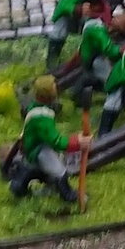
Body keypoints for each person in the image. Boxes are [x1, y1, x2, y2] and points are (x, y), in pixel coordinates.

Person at [8, 76, 86, 205]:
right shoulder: (41, 116)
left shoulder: (38, 108)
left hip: (36, 144)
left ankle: (19, 186)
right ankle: (68, 195)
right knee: (59, 170)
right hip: (38, 148)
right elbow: (55, 141)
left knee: (35, 168)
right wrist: (77, 142)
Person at [46, 0, 105, 69]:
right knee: (60, 31)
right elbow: (66, 5)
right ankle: (52, 60)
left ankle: (89, 51)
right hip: (67, 16)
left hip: (82, 16)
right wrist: (79, 9)